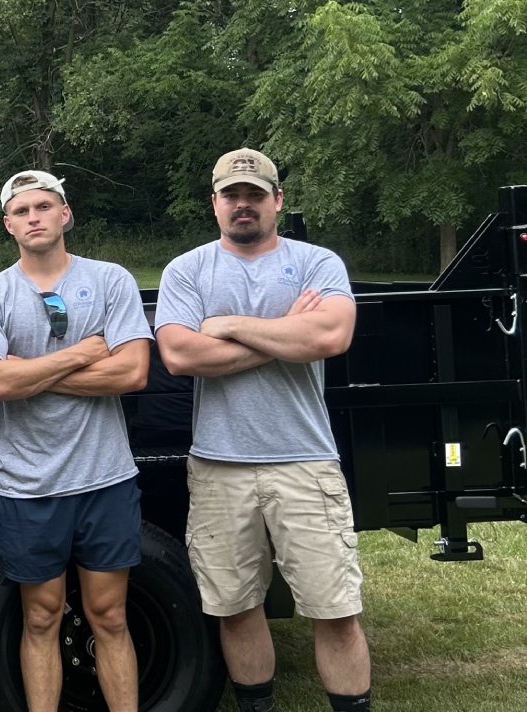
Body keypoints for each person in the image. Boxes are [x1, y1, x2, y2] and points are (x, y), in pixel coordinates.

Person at [155, 148, 369, 712]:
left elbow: (329, 339)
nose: (242, 205)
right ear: (215, 204)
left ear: (277, 200)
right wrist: (285, 333)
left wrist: (226, 327)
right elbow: (178, 354)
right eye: (232, 195)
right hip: (219, 465)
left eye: (254, 194)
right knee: (236, 607)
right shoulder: (187, 269)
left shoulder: (319, 262)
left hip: (305, 461)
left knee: (336, 611)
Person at [0, 170, 151, 712]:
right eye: (22, 211)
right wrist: (84, 353)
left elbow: (133, 372)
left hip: (106, 479)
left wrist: (32, 371)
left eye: (44, 206)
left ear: (65, 214)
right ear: (8, 225)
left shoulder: (111, 280)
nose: (34, 217)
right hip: (30, 485)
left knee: (110, 616)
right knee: (40, 616)